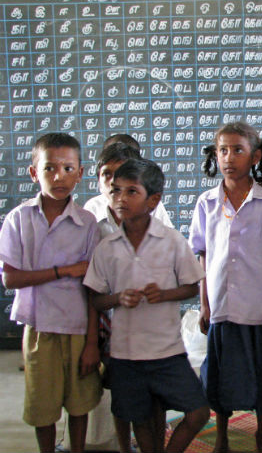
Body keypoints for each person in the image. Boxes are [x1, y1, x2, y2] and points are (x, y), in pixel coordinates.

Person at [83, 159, 209, 453]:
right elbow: (95, 298)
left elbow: (192, 286)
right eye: (115, 191)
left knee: (198, 412)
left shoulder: (173, 242)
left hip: (168, 352)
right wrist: (118, 298)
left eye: (131, 192)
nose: (120, 199)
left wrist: (164, 294)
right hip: (126, 355)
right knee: (140, 421)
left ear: (153, 201)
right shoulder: (107, 248)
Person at [189, 122, 262, 453]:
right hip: (221, 306)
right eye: (222, 150)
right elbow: (203, 257)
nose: (229, 158)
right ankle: (221, 435)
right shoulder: (206, 202)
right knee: (219, 378)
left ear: (255, 156)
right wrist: (204, 304)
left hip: (256, 305)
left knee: (261, 378)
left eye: (238, 150)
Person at [0, 133, 102, 453]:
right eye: (50, 168)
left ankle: (77, 449)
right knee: (42, 406)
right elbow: (10, 279)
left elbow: (93, 288)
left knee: (79, 403)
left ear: (81, 172)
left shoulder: (87, 224)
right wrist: (64, 271)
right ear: (34, 173)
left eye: (69, 168)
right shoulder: (19, 219)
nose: (60, 177)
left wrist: (91, 342)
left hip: (77, 328)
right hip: (40, 328)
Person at [84, 142, 168, 453]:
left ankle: (156, 445)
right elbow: (92, 286)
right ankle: (124, 446)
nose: (114, 183)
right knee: (122, 395)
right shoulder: (91, 222)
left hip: (152, 323)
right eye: (107, 175)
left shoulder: (154, 214)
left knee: (155, 396)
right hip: (113, 327)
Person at [85, 135, 173, 229]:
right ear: (99, 181)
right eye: (107, 174)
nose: (113, 182)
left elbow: (169, 240)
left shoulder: (152, 205)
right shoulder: (93, 208)